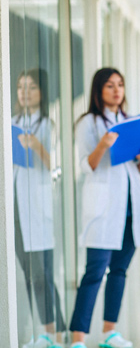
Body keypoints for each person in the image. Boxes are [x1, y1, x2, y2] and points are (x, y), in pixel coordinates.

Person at [70, 68, 140, 348]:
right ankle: (78, 338)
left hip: (129, 208)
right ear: (98, 90)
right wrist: (103, 144)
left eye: (120, 84)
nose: (117, 90)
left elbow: (133, 169)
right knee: (94, 272)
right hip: (103, 209)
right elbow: (86, 166)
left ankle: (109, 333)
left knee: (119, 271)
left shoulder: (128, 121)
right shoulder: (87, 123)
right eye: (109, 86)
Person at [12, 68, 66, 348]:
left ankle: (49, 334)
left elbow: (55, 167)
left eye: (31, 87)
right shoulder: (13, 122)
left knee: (40, 273)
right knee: (30, 272)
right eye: (21, 87)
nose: (25, 92)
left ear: (42, 92)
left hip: (37, 205)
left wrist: (36, 146)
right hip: (16, 206)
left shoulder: (48, 125)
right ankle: (55, 330)